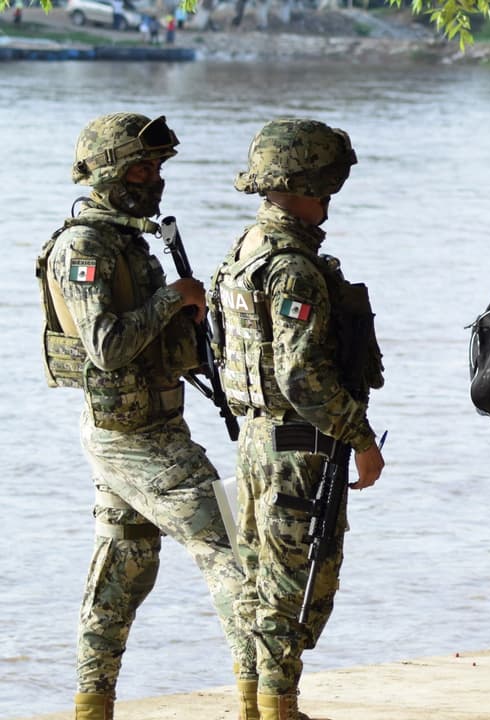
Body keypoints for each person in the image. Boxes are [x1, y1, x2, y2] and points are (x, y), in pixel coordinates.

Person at [35, 112, 253, 720]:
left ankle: (91, 705)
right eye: (140, 168)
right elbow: (106, 347)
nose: (154, 178)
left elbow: (162, 346)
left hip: (143, 428)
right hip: (133, 438)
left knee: (124, 568)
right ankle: (265, 703)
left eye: (157, 167)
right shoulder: (84, 247)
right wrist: (171, 299)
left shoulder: (128, 242)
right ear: (106, 172)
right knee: (235, 550)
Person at [212, 118, 385, 720]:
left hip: (257, 441)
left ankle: (254, 705)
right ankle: (277, 711)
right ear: (308, 184)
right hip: (298, 448)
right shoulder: (294, 268)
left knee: (261, 583)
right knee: (297, 587)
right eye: (328, 184)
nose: (332, 197)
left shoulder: (244, 250)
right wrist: (360, 438)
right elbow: (301, 377)